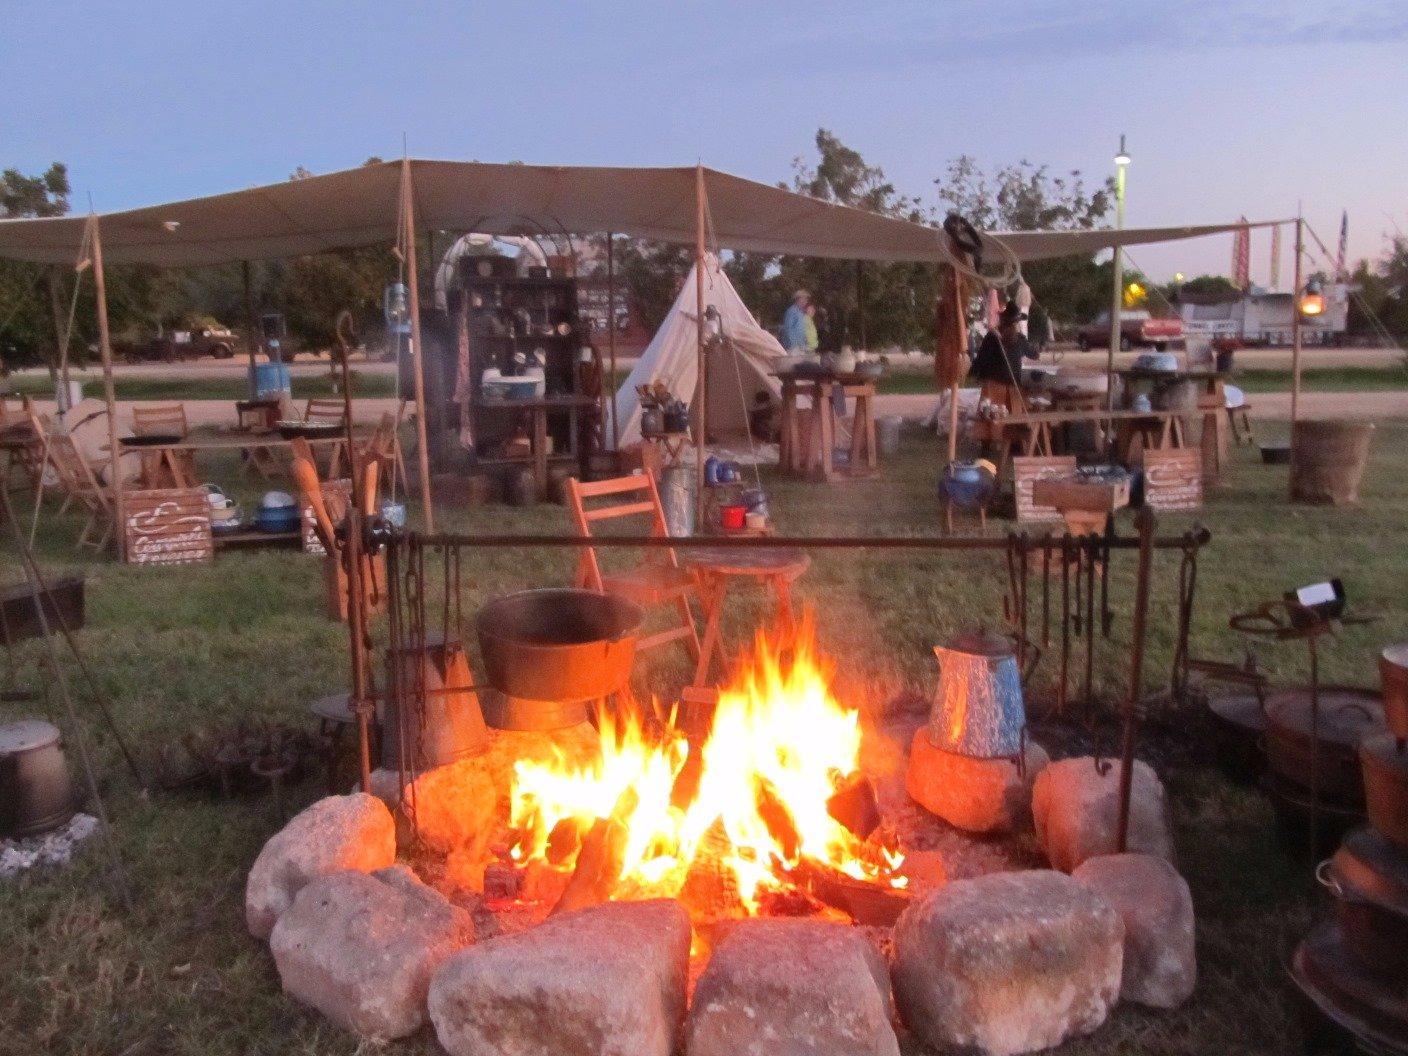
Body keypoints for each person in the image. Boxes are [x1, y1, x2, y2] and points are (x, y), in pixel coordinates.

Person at [969, 301, 1035, 411]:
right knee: (1011, 421)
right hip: (1013, 386)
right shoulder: (1020, 339)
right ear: (1016, 323)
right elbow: (1034, 355)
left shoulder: (992, 337)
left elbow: (981, 358)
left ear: (1002, 320)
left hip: (993, 385)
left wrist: (973, 373)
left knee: (989, 418)